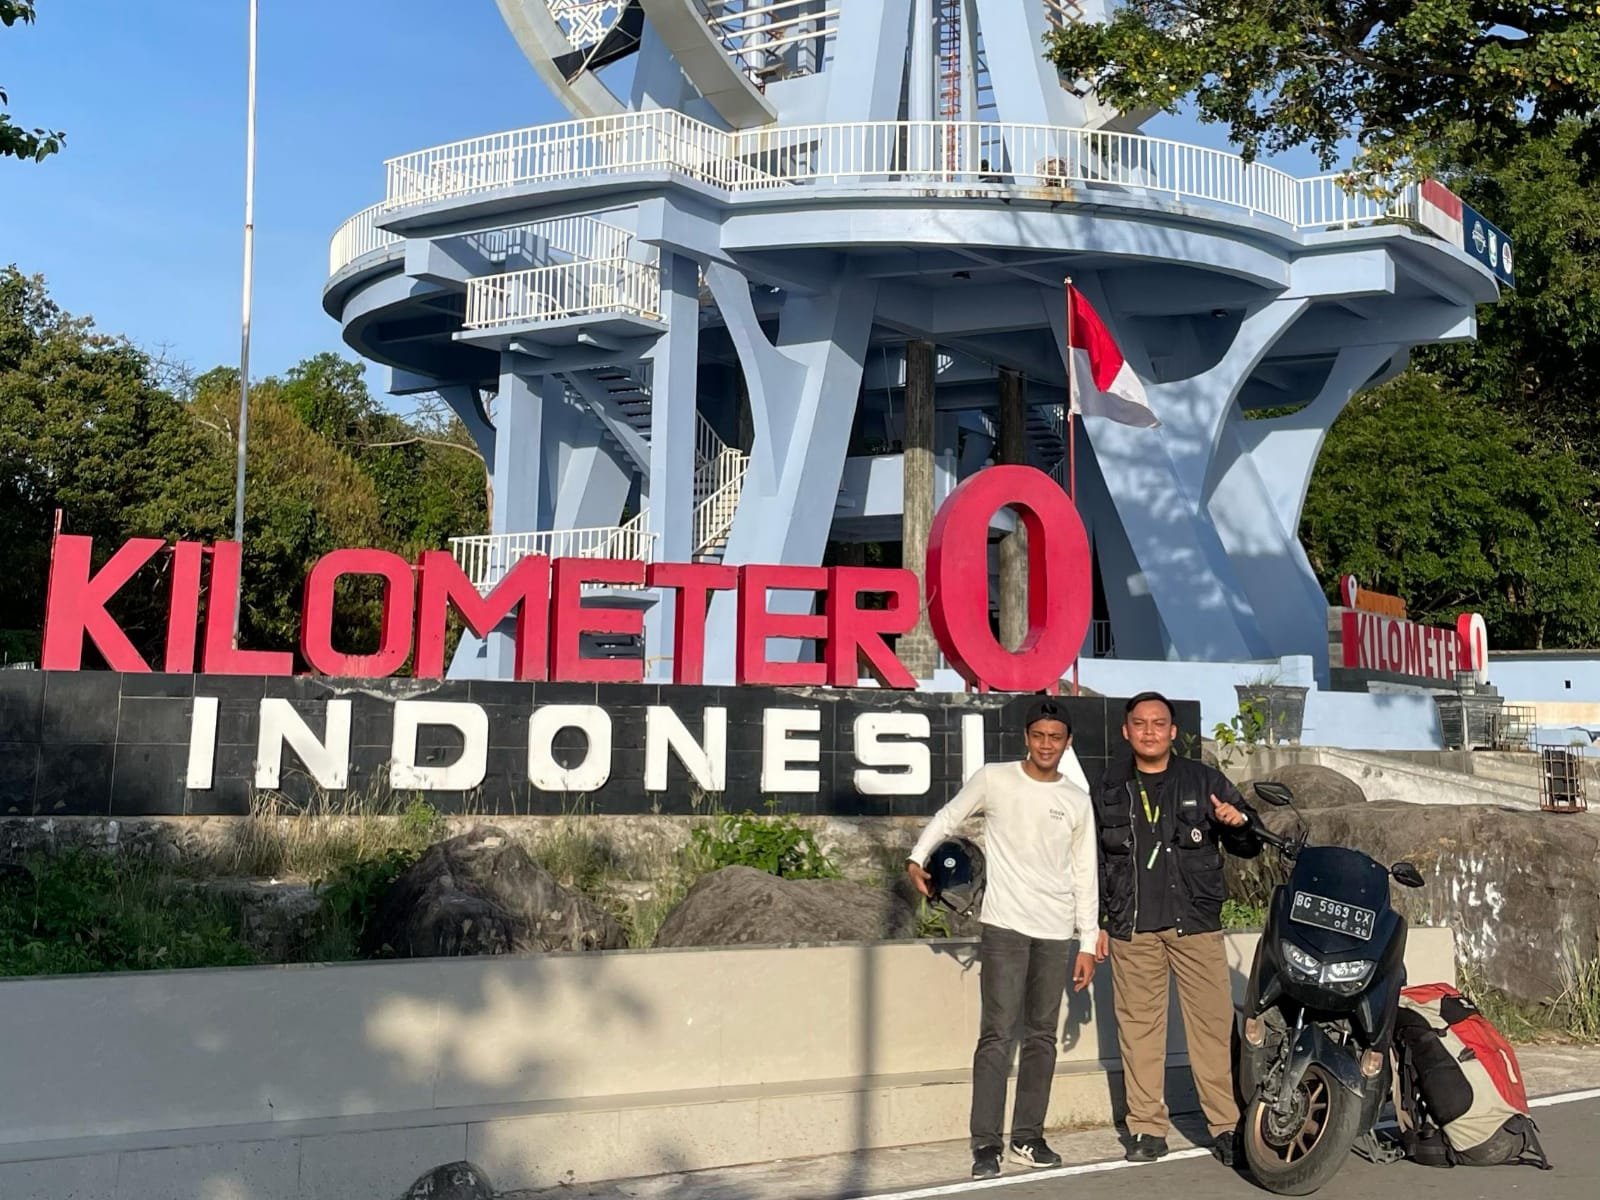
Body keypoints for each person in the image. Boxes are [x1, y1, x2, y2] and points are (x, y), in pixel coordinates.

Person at [906, 698, 1099, 1180]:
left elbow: (1085, 873)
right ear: (1026, 738)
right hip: (1005, 928)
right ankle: (986, 1144)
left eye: (1056, 737)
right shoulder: (995, 779)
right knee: (996, 1035)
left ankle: (1029, 1137)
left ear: (1068, 742)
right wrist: (917, 857)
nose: (1047, 745)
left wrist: (1088, 942)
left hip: (1056, 932)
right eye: (1039, 736)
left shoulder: (1077, 799)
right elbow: (949, 816)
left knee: (1041, 1037)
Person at [1093, 691, 1263, 1168]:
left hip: (1196, 924)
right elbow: (1092, 860)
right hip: (1132, 926)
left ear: (1173, 732)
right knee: (1139, 1031)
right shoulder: (1108, 785)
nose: (1149, 731)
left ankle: (1226, 1126)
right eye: (1140, 723)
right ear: (1126, 731)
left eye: (1158, 723)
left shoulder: (1203, 779)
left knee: (1212, 1028)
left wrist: (1237, 823)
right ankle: (1147, 1128)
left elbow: (1249, 840)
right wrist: (1097, 923)